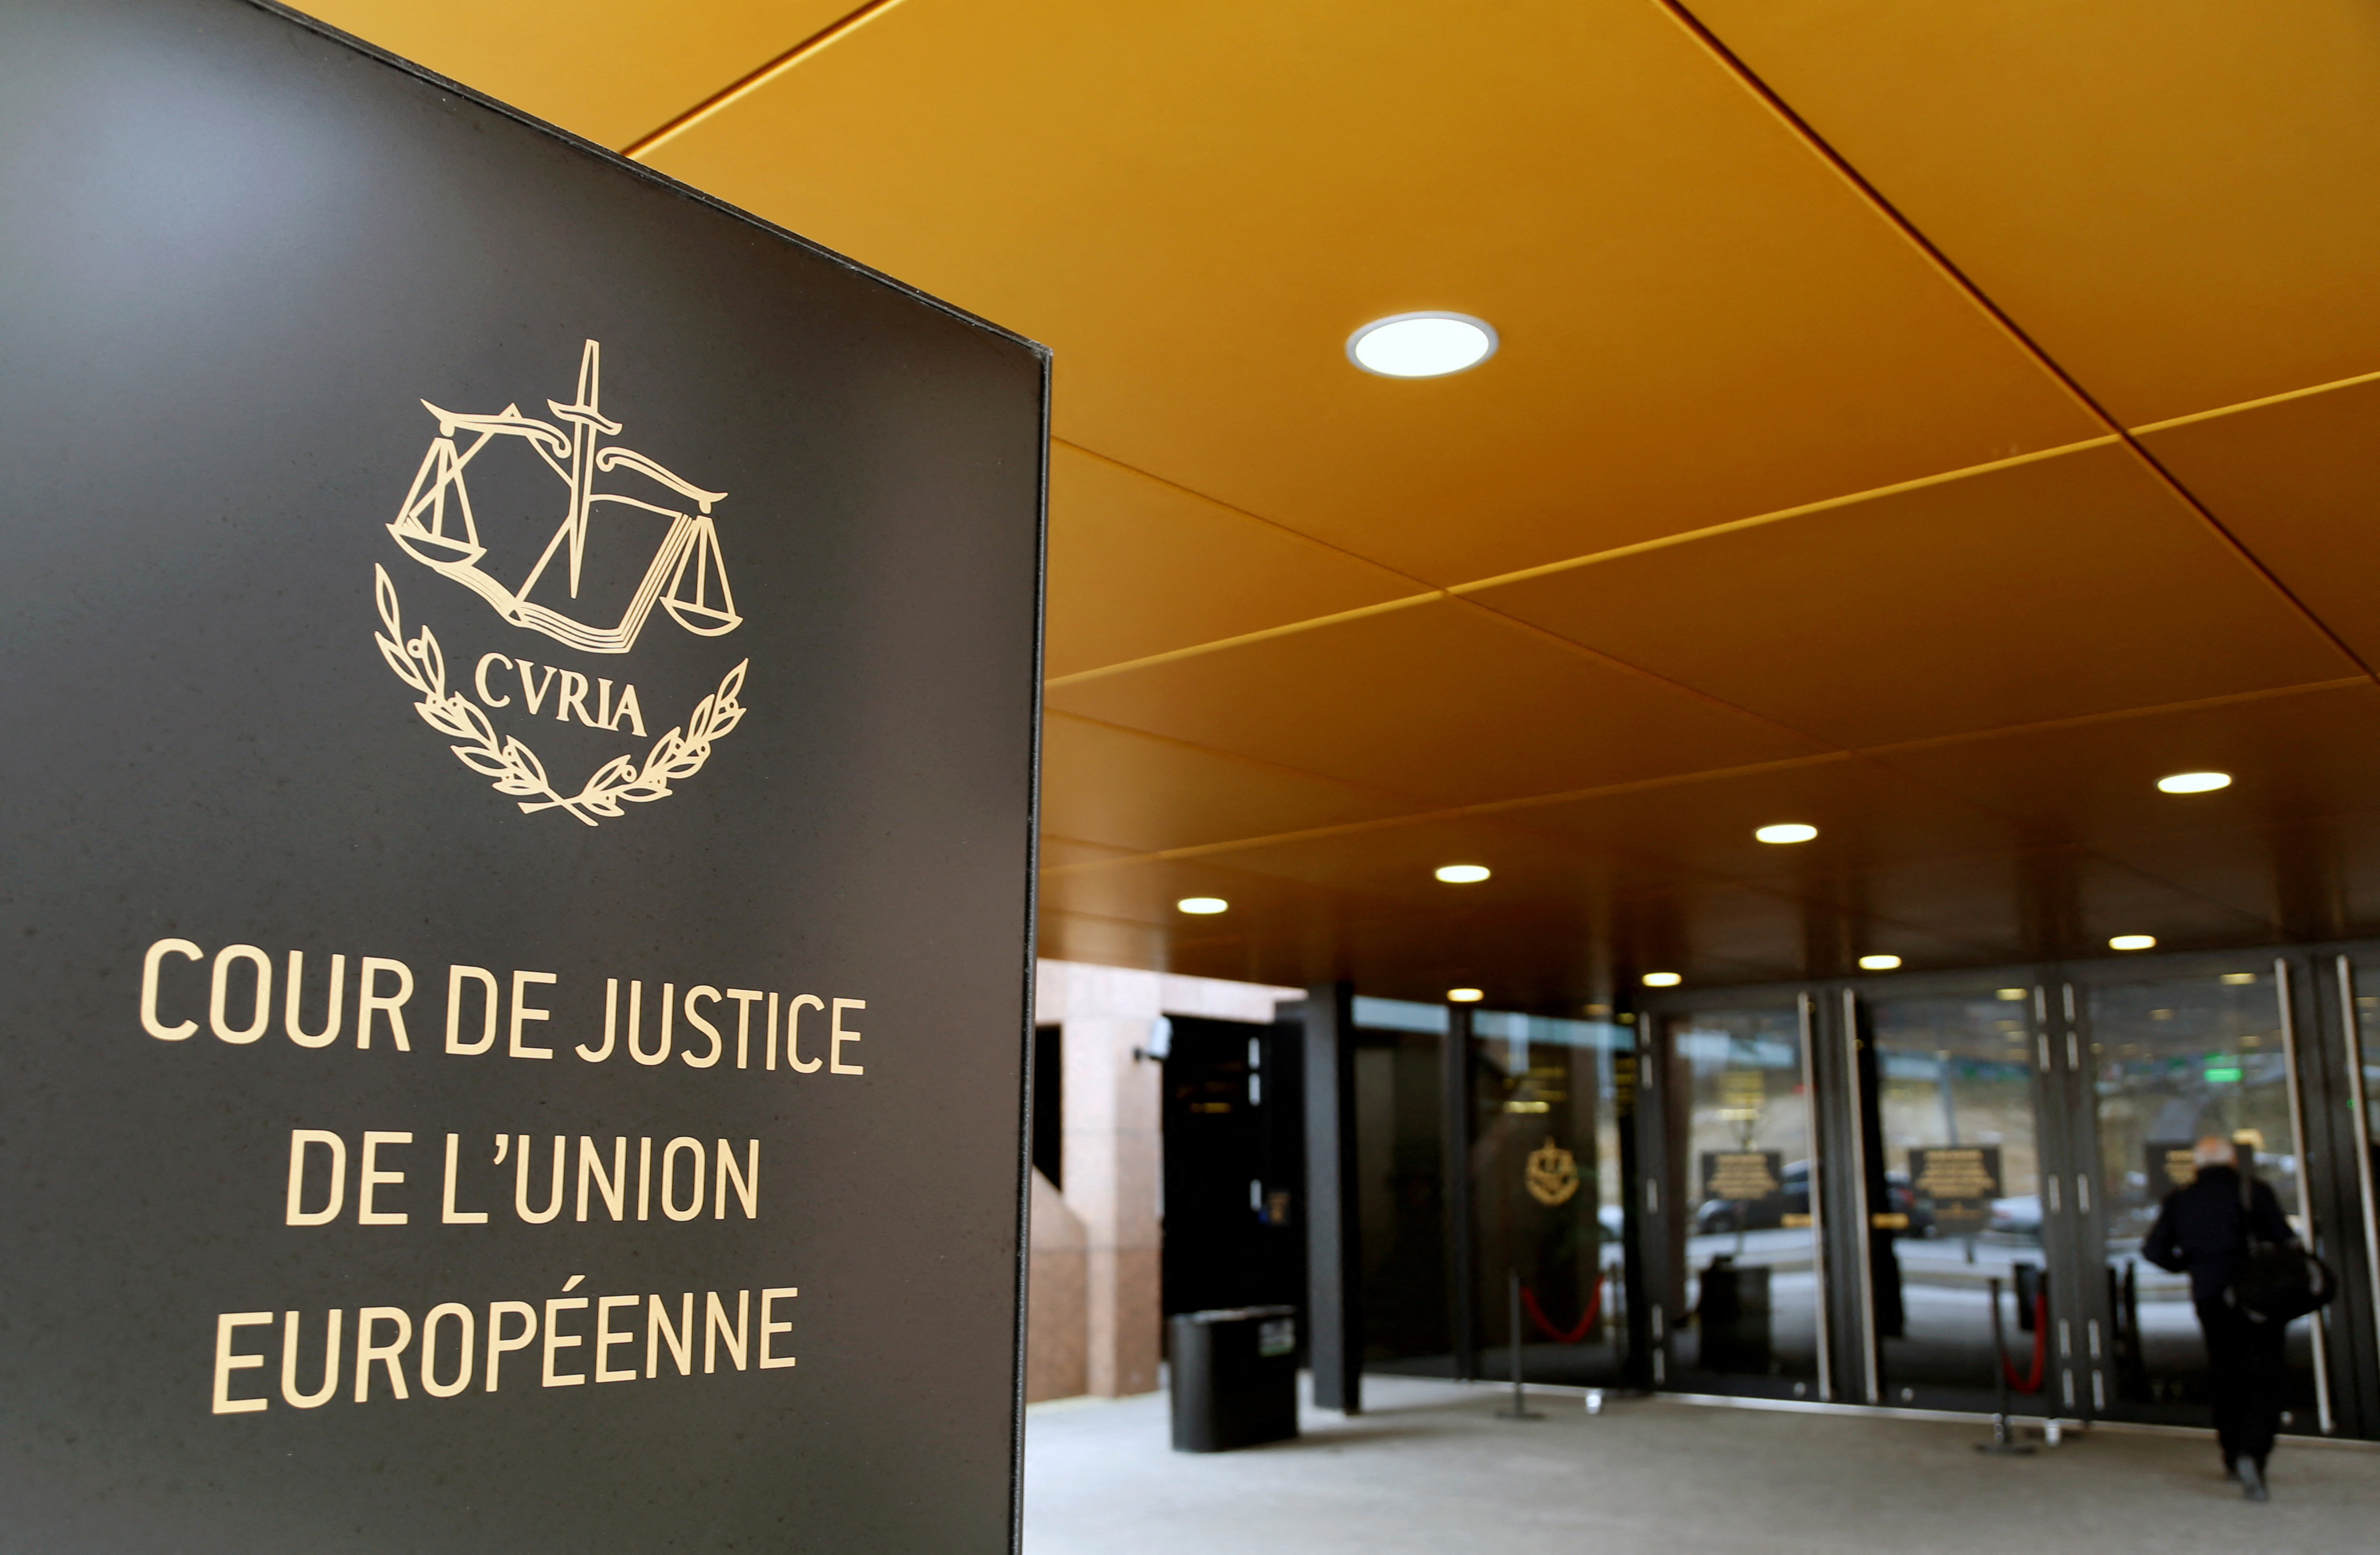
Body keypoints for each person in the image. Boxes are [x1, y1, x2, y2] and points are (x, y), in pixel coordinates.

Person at [2142, 1136, 2295, 1502]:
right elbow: (2283, 1238)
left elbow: (2153, 1249)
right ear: (2231, 1162)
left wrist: (2189, 1265)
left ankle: (2229, 1456)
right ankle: (2252, 1454)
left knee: (2225, 1374)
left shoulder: (2181, 1198)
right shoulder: (2252, 1191)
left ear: (2196, 1165)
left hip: (2209, 1296)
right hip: (2257, 1297)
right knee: (2263, 1375)